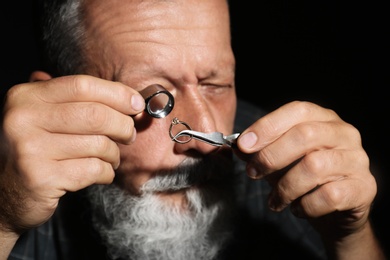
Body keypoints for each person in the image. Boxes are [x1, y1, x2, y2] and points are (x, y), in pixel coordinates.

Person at [0, 0, 386, 259]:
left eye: (215, 84)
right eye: (155, 98)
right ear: (60, 107)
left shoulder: (275, 168)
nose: (207, 135)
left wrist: (349, 239)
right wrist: (3, 220)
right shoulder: (21, 201)